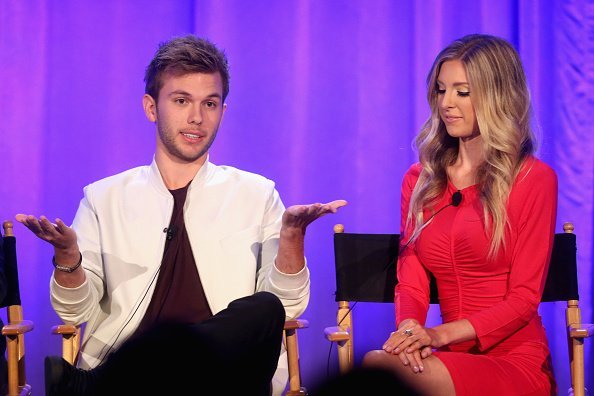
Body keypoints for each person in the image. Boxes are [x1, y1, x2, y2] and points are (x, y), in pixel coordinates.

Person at [16, 34, 346, 395]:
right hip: (131, 371)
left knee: (264, 308)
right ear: (151, 107)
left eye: (210, 103)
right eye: (181, 100)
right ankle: (132, 371)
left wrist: (291, 239)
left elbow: (286, 307)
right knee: (151, 357)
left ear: (223, 110)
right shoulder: (103, 198)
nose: (196, 117)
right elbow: (74, 313)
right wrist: (67, 257)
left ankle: (103, 382)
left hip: (222, 375)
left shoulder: (257, 193)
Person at [362, 34, 558, 396]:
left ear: (497, 97)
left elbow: (523, 299)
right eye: (441, 90)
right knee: (381, 364)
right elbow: (412, 278)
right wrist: (410, 332)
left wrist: (437, 334)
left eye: (462, 92)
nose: (446, 104)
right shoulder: (419, 181)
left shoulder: (534, 179)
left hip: (514, 360)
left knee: (381, 371)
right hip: (447, 357)